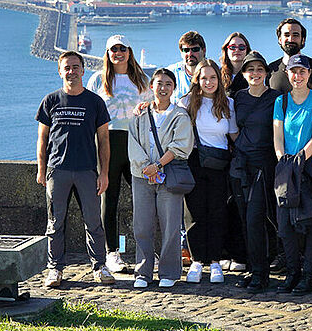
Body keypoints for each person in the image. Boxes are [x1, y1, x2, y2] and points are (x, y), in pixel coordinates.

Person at [36, 51, 115, 288]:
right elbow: (42, 138)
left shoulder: (95, 102)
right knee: (55, 222)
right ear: (60, 71)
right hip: (57, 170)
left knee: (93, 222)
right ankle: (54, 269)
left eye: (75, 67)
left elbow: (103, 140)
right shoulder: (51, 100)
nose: (71, 71)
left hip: (86, 170)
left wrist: (104, 173)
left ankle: (99, 267)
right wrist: (42, 169)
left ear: (83, 70)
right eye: (67, 67)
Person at [86, 34, 150, 274]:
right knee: (108, 199)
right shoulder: (98, 80)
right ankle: (112, 252)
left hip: (134, 142)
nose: (118, 53)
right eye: (114, 49)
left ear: (129, 51)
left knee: (142, 199)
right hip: (107, 142)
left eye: (122, 48)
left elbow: (151, 112)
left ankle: (145, 249)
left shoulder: (142, 80)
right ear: (107, 53)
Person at [128, 68, 194, 288]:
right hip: (142, 176)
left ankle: (169, 272)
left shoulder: (180, 115)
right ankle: (143, 272)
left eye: (168, 84)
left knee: (171, 227)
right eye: (159, 83)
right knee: (142, 225)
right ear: (151, 87)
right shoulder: (140, 115)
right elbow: (133, 142)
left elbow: (181, 146)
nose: (163, 88)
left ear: (173, 88)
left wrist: (156, 166)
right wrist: (146, 167)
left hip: (168, 176)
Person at [273, 54, 312, 295]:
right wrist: (284, 160)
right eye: (293, 72)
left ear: (309, 74)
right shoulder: (281, 102)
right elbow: (277, 136)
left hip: (309, 169)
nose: (298, 76)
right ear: (288, 74)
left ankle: (308, 275)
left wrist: (299, 162)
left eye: (302, 72)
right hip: (286, 168)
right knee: (285, 225)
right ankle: (292, 271)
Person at [179, 60, 238, 284]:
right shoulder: (186, 102)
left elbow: (233, 135)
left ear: (219, 79)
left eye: (213, 77)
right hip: (194, 161)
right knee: (193, 213)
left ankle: (214, 261)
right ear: (197, 80)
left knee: (217, 212)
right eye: (204, 78)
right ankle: (196, 260)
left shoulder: (228, 104)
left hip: (219, 163)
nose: (209, 82)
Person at [231, 51, 281, 293]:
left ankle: (262, 274)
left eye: (260, 69)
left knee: (256, 219)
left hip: (264, 163)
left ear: (266, 73)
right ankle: (253, 269)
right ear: (243, 73)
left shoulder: (277, 98)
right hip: (240, 164)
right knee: (244, 220)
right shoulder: (238, 98)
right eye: (250, 69)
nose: (255, 73)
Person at [268, 18, 312, 93]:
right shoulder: (271, 69)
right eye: (286, 35)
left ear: (303, 40)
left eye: (296, 35)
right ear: (280, 40)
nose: (291, 39)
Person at [167, 31, 206, 104]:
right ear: (181, 53)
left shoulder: (216, 72)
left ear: (204, 51)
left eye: (195, 49)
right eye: (186, 50)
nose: (190, 54)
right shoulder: (171, 72)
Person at [221, 32, 251, 98]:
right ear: (226, 50)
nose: (237, 50)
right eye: (232, 47)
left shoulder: (254, 75)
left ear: (247, 50)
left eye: (241, 47)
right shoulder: (217, 75)